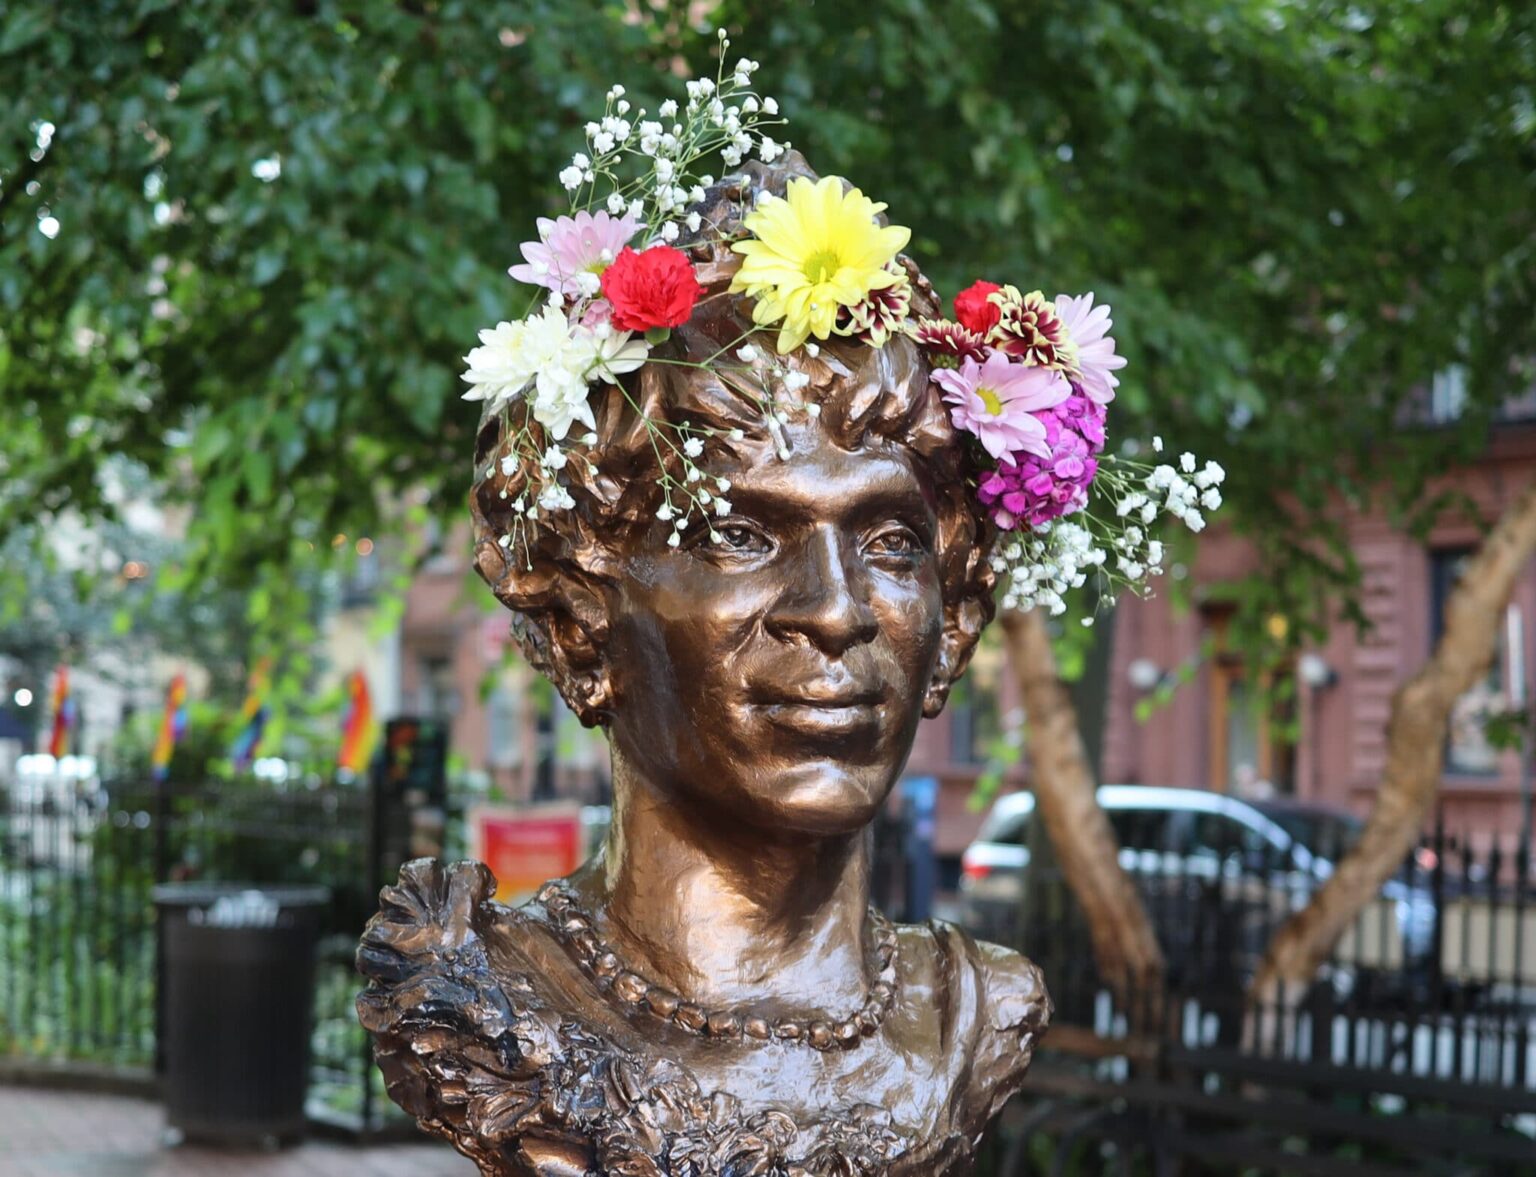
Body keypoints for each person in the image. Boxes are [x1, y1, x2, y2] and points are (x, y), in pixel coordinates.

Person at [358, 157, 1050, 1176]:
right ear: (584, 614)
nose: (836, 611)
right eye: (737, 535)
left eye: (892, 541)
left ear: (954, 626)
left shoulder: (979, 1013)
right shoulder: (476, 991)